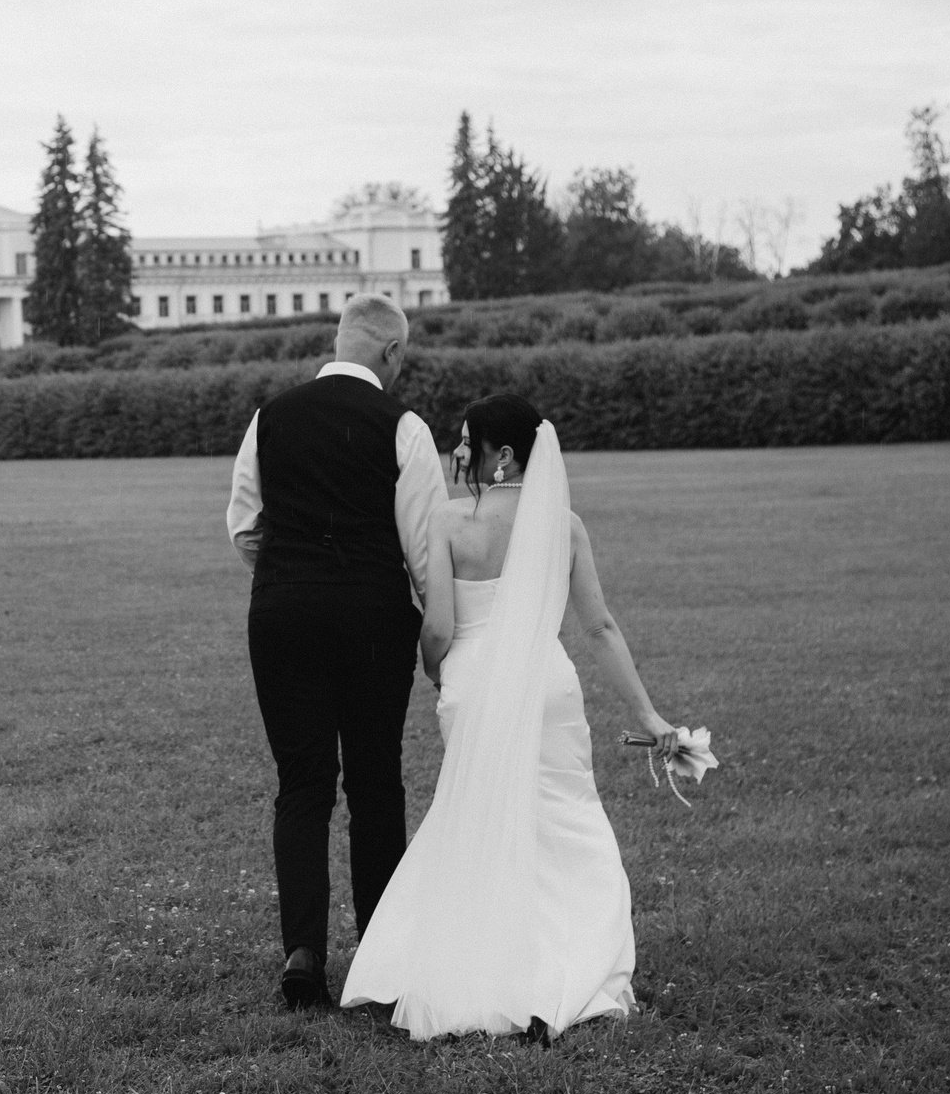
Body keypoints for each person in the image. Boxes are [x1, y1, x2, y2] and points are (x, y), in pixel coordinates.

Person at [340, 394, 683, 1040]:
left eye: (470, 441)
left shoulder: (448, 522)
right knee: (563, 816)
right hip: (547, 687)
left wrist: (439, 671)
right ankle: (567, 961)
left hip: (472, 684)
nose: (460, 451)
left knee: (476, 817)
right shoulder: (564, 524)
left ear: (505, 454)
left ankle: (474, 964)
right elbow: (599, 626)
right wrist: (649, 713)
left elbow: (438, 625)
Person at [227, 295, 450, 1010]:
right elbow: (424, 545)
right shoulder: (405, 427)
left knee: (302, 784)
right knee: (376, 781)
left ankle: (303, 953)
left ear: (338, 341)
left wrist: (292, 568)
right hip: (373, 617)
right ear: (391, 353)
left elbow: (243, 527)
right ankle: (380, 961)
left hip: (283, 611)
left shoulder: (271, 416)